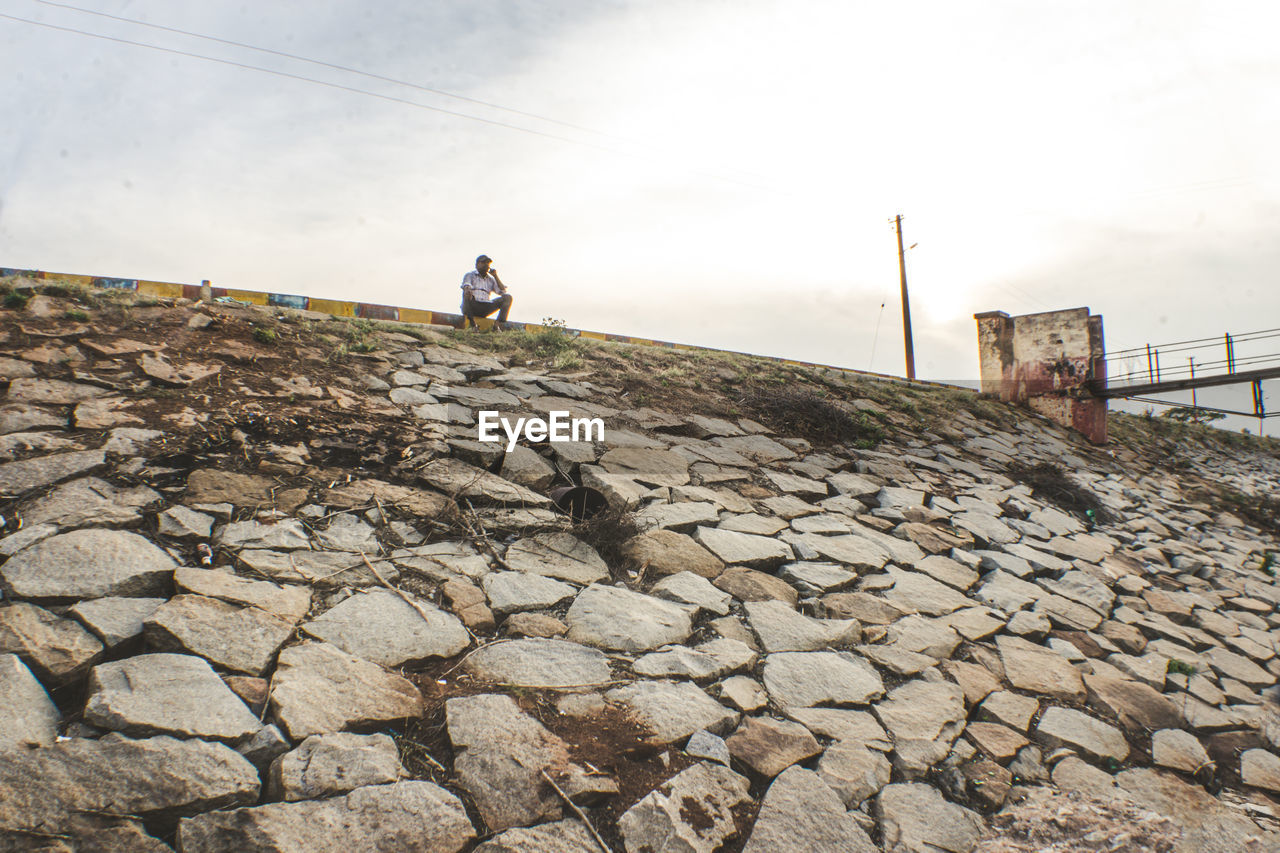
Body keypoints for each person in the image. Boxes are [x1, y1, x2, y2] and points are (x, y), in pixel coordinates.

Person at [460, 254, 513, 329]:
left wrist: (495, 276)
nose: (486, 265)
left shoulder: (491, 279)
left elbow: (502, 291)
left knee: (507, 297)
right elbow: (466, 285)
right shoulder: (470, 275)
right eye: (483, 263)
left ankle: (498, 324)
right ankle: (472, 323)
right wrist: (468, 289)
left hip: (485, 306)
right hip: (472, 305)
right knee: (466, 292)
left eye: (488, 263)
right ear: (477, 264)